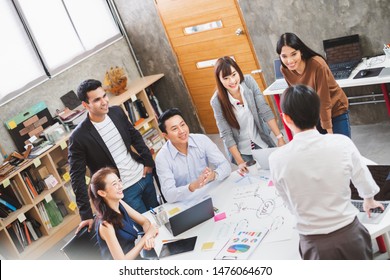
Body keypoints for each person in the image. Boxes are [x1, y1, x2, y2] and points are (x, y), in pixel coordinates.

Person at [269, 84, 384, 260]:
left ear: (286, 118)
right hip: (350, 235)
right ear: (317, 112)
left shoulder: (277, 159)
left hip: (314, 243)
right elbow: (363, 179)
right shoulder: (342, 143)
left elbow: (290, 204)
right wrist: (368, 200)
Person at [68, 79, 159, 233]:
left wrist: (148, 163)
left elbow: (135, 136)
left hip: (144, 177)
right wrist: (85, 214)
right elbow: (76, 177)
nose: (104, 102)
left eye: (104, 96)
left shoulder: (116, 112)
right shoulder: (79, 137)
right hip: (125, 192)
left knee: (160, 218)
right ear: (85, 105)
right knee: (148, 230)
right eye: (97, 100)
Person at [210, 56, 285, 174]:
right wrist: (240, 161)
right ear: (219, 80)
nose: (232, 81)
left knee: (273, 171)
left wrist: (279, 137)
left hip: (260, 139)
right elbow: (226, 134)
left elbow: (264, 109)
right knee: (254, 178)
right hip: (241, 149)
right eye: (226, 78)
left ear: (238, 72)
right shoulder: (216, 101)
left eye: (234, 74)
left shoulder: (248, 82)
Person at [276, 32, 351, 137]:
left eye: (293, 54)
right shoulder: (285, 70)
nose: (290, 61)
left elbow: (324, 100)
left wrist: (330, 134)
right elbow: (297, 97)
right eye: (284, 56)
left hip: (335, 108)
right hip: (315, 113)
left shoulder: (317, 64)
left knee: (340, 148)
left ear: (301, 52)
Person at [155, 108, 231, 203]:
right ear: (165, 136)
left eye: (182, 125)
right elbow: (169, 195)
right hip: (185, 202)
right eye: (174, 129)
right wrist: (192, 186)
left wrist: (214, 175)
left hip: (209, 192)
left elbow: (226, 166)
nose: (182, 131)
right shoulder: (162, 158)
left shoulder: (201, 140)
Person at [88, 167, 158, 260]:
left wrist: (149, 239)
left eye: (119, 181)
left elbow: (145, 221)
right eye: (114, 184)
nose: (120, 186)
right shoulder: (106, 225)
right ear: (102, 193)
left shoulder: (119, 202)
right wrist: (147, 236)